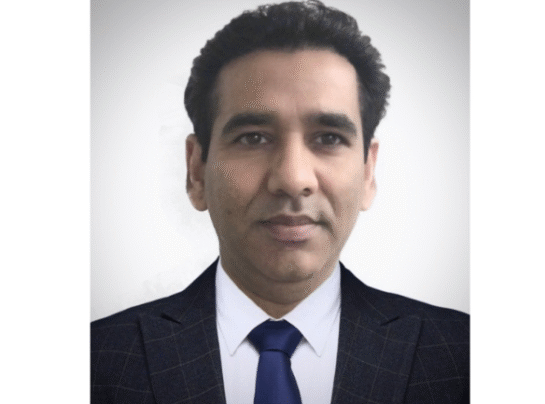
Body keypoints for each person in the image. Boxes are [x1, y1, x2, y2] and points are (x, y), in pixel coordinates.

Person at [91, 1, 469, 403]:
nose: (293, 179)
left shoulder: (465, 358)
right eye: (253, 137)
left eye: (329, 138)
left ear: (368, 172)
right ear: (197, 171)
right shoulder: (95, 362)